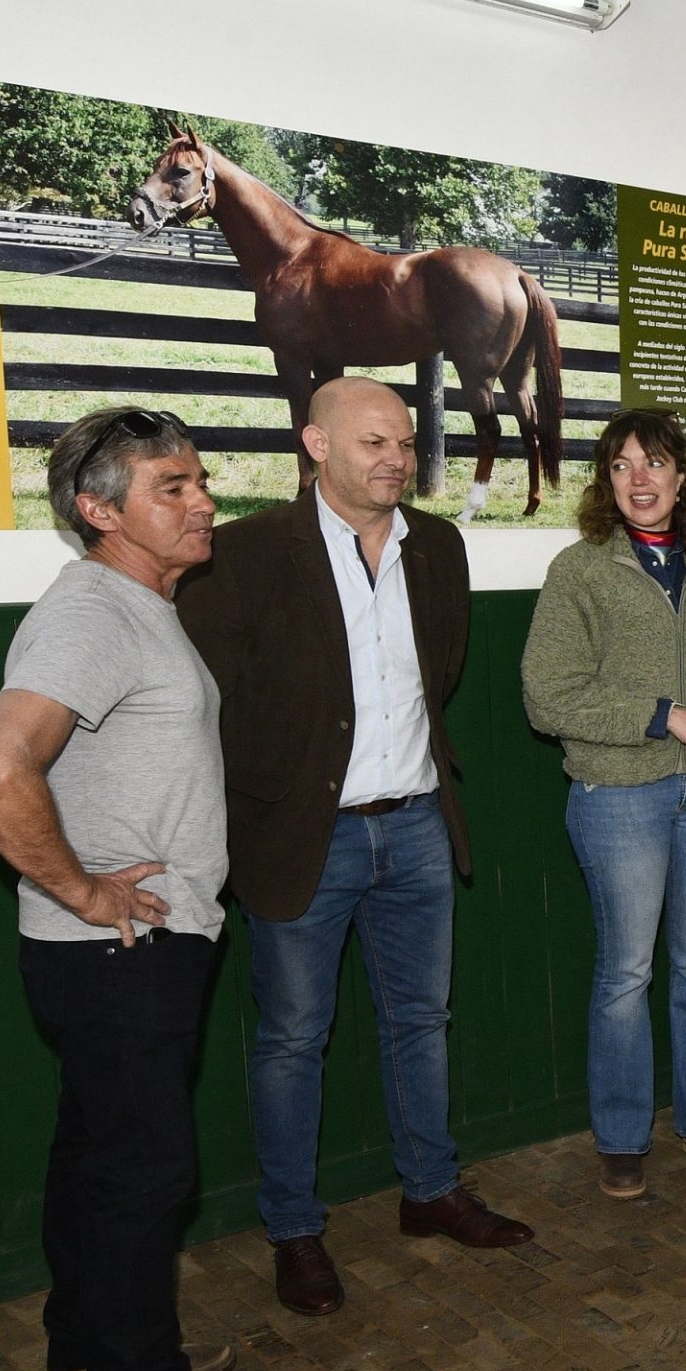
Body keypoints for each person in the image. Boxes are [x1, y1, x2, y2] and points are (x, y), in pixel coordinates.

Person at [0, 409, 285, 1371]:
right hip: (116, 951)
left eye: (200, 479)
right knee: (146, 1167)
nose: (203, 503)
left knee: (95, 1150)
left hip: (123, 949)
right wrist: (85, 891)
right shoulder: (92, 613)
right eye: (171, 488)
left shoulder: (138, 605)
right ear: (100, 512)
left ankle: (85, 1343)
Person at [177, 376, 532, 1321]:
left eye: (406, 443)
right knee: (294, 1039)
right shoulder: (246, 555)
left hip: (417, 823)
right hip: (303, 838)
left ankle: (430, 1193)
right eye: (373, 441)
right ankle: (294, 1230)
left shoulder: (441, 546)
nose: (395, 459)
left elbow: (439, 674)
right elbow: (202, 702)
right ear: (316, 445)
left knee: (422, 1020)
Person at [521, 409, 686, 1200]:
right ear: (608, 479)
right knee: (627, 974)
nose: (640, 479)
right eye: (623, 464)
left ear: (680, 478)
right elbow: (546, 696)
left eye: (655, 464)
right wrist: (664, 714)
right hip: (618, 797)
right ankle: (623, 1135)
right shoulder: (580, 570)